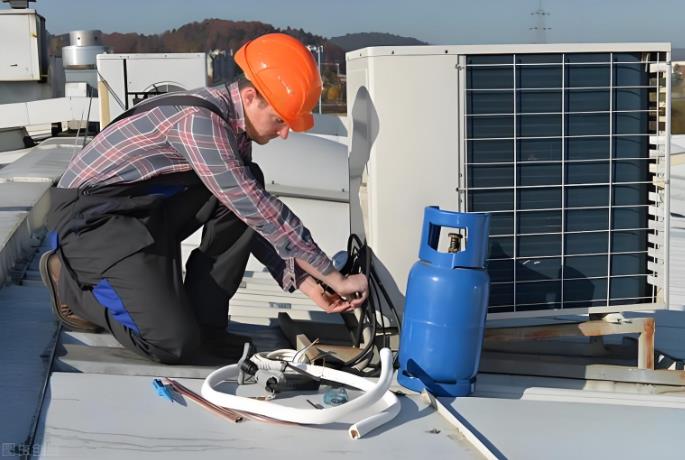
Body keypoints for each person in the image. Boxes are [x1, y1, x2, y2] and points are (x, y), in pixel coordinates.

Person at [40, 33, 368, 364]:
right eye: (280, 119)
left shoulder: (232, 127)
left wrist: (306, 281)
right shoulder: (199, 122)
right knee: (172, 344)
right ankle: (67, 283)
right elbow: (261, 211)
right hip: (91, 222)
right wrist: (333, 276)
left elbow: (247, 213)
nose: (284, 133)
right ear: (251, 96)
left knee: (247, 180)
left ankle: (206, 325)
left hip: (138, 214)